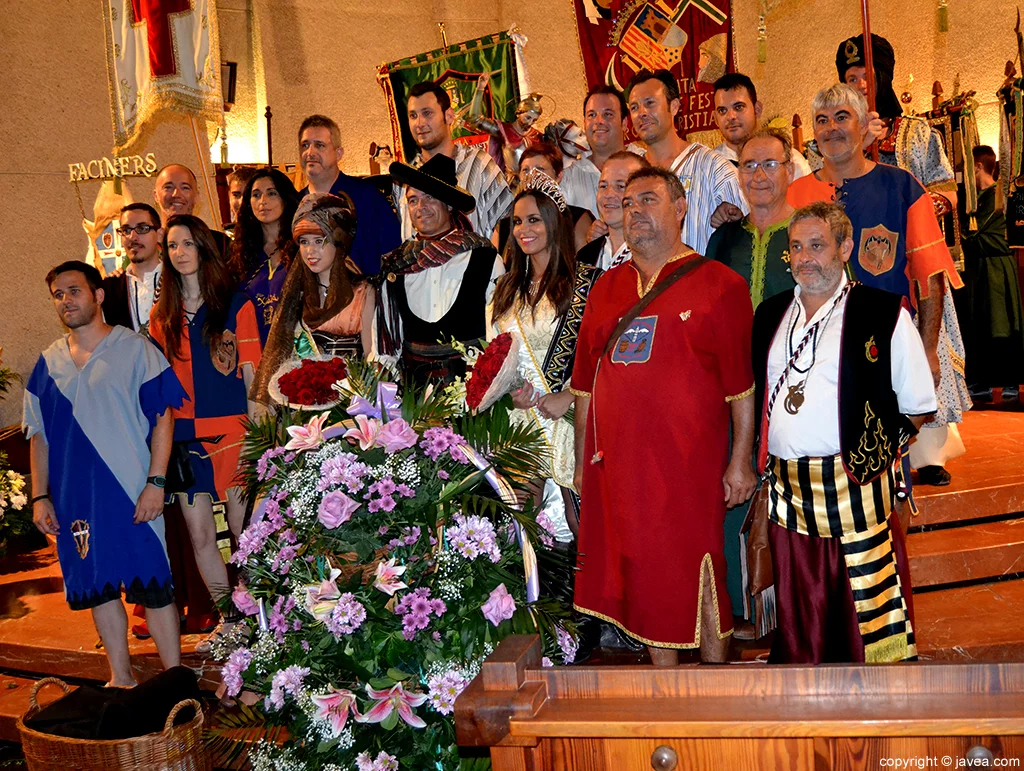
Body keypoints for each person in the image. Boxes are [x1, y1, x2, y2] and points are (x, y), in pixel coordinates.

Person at [570, 167, 757, 665]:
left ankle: (715, 686)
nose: (635, 211)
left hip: (689, 463)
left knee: (699, 564)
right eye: (628, 203)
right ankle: (664, 686)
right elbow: (584, 386)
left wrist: (741, 461)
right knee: (644, 568)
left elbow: (742, 387)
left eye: (648, 199)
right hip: (620, 465)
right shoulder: (605, 288)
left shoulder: (721, 284)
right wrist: (579, 462)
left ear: (680, 208)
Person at [752, 202, 936, 664]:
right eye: (797, 247)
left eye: (817, 245)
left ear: (845, 247)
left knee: (868, 610)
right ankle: (805, 691)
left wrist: (872, 462)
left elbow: (916, 407)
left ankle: (878, 696)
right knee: (801, 603)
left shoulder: (882, 312)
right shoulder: (770, 315)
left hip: (855, 485)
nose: (805, 258)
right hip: (788, 490)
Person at [788, 84, 967, 488]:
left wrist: (926, 349)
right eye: (821, 120)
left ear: (863, 125)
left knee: (886, 470)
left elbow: (929, 276)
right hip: (813, 352)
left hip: (883, 349)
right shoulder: (796, 195)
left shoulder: (902, 187)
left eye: (841, 117)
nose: (830, 128)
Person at [24, 260, 185, 686]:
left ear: (97, 295)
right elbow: (37, 436)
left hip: (132, 489)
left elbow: (163, 418)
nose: (65, 301)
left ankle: (175, 682)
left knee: (152, 583)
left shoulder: (136, 349)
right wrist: (40, 496)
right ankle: (121, 677)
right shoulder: (48, 363)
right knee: (97, 585)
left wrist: (156, 482)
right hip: (77, 499)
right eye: (58, 295)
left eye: (74, 291)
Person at [149, 215, 262, 650]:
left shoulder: (238, 305)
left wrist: (258, 438)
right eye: (172, 246)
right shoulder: (163, 318)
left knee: (242, 530)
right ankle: (230, 618)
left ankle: (256, 613)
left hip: (234, 432)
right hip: (182, 437)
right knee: (199, 535)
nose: (179, 252)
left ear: (204, 248)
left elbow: (252, 376)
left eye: (187, 244)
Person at [491, 171, 602, 541]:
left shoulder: (589, 283)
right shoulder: (505, 289)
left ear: (554, 224)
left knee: (577, 523)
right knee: (521, 524)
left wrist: (570, 394)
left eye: (534, 219)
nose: (523, 229)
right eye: (518, 221)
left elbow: (604, 353)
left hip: (570, 418)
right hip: (520, 420)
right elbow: (494, 353)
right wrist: (508, 389)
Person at [376, 154, 504, 386]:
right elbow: (388, 348)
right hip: (415, 401)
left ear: (448, 204)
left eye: (429, 198)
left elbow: (500, 335)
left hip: (473, 398)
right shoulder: (396, 266)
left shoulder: (485, 259)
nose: (420, 207)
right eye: (413, 200)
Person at [252, 193, 375, 404]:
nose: (310, 251)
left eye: (319, 241)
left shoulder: (363, 292)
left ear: (339, 242)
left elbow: (372, 358)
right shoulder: (296, 294)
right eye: (304, 242)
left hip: (352, 404)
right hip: (304, 406)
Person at [626, 68, 747, 254]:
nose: (641, 113)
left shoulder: (714, 168)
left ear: (674, 107)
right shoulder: (630, 173)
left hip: (701, 281)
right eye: (634, 107)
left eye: (650, 103)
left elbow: (743, 240)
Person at [399, 81, 513, 241]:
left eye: (427, 113)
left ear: (449, 116)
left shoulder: (479, 164)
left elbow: (508, 223)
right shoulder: (404, 178)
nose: (419, 123)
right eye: (413, 116)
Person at [297, 115, 401, 277]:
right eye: (305, 145)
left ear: (339, 153)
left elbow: (393, 255)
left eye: (319, 145)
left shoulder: (368, 197)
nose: (310, 152)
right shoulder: (294, 204)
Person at [706, 127, 797, 309]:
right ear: (739, 175)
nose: (758, 176)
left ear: (789, 171)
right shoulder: (722, 239)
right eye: (749, 166)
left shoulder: (812, 234)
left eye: (770, 164)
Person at [961, 145, 1023, 399]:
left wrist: (963, 237)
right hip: (977, 268)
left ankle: (1010, 380)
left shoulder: (1000, 195)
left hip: (998, 267)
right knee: (980, 324)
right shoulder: (972, 199)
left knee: (1002, 323)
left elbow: (980, 233)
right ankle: (983, 381)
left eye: (967, 168)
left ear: (977, 166)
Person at [228, 168, 301, 345]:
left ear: (285, 198)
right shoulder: (240, 253)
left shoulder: (301, 248)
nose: (263, 201)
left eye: (272, 193)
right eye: (256, 195)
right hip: (250, 349)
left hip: (294, 349)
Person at [493, 143, 594, 253]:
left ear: (559, 176)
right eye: (525, 170)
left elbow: (584, 262)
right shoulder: (504, 226)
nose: (532, 175)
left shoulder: (576, 218)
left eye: (540, 169)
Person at [711, 73, 812, 179]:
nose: (730, 116)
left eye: (739, 107)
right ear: (715, 118)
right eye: (722, 110)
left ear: (757, 109)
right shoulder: (707, 167)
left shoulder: (790, 160)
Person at [560, 85, 631, 218]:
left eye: (608, 114)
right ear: (585, 123)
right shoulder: (567, 180)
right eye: (592, 115)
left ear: (624, 123)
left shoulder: (644, 166)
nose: (599, 121)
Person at [576, 151, 650, 270]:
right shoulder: (585, 257)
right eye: (603, 186)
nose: (608, 195)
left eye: (620, 186)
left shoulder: (658, 254)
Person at [103, 203, 165, 334]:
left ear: (159, 235)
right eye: (126, 230)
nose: (132, 237)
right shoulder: (109, 289)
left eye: (142, 228)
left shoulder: (178, 279)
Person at [464, 73, 543, 176]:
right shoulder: (503, 130)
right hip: (509, 185)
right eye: (528, 118)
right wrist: (480, 89)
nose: (530, 123)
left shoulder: (538, 136)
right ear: (518, 113)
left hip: (531, 186)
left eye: (534, 120)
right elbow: (475, 119)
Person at [152, 164, 230, 256]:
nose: (176, 194)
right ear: (156, 195)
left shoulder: (219, 243)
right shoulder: (148, 244)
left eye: (185, 188)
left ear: (196, 196)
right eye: (168, 187)